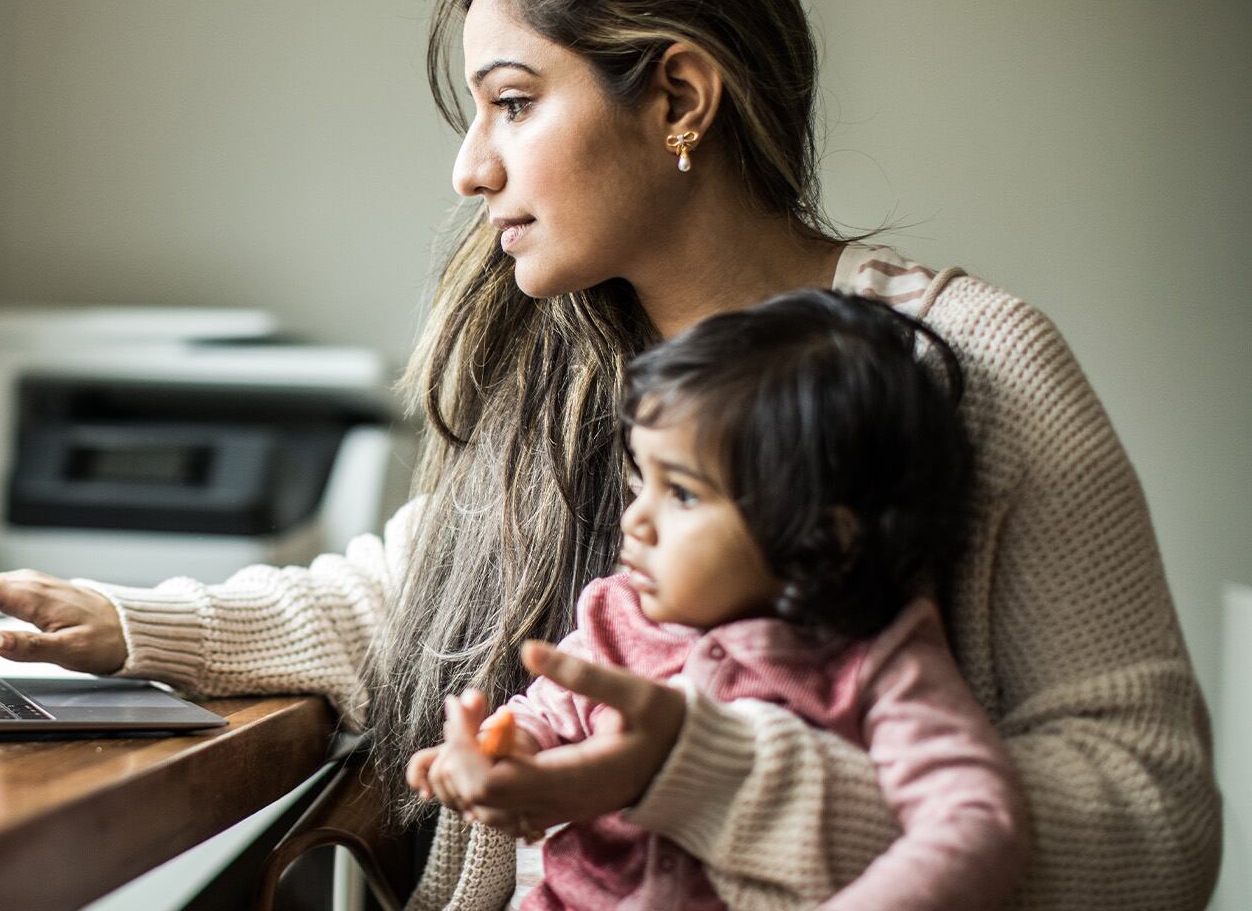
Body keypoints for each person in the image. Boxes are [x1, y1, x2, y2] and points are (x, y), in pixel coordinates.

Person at [0, 0, 1221, 910]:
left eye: (514, 102)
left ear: (681, 97)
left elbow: (1154, 822)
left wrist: (702, 782)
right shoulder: (564, 367)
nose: (470, 169)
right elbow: (407, 604)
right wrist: (120, 627)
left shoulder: (975, 368)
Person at [408, 289, 1030, 909]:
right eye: (638, 481)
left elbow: (974, 823)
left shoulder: (881, 659)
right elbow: (542, 717)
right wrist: (498, 753)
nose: (635, 520)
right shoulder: (616, 618)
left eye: (681, 493)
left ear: (823, 537)